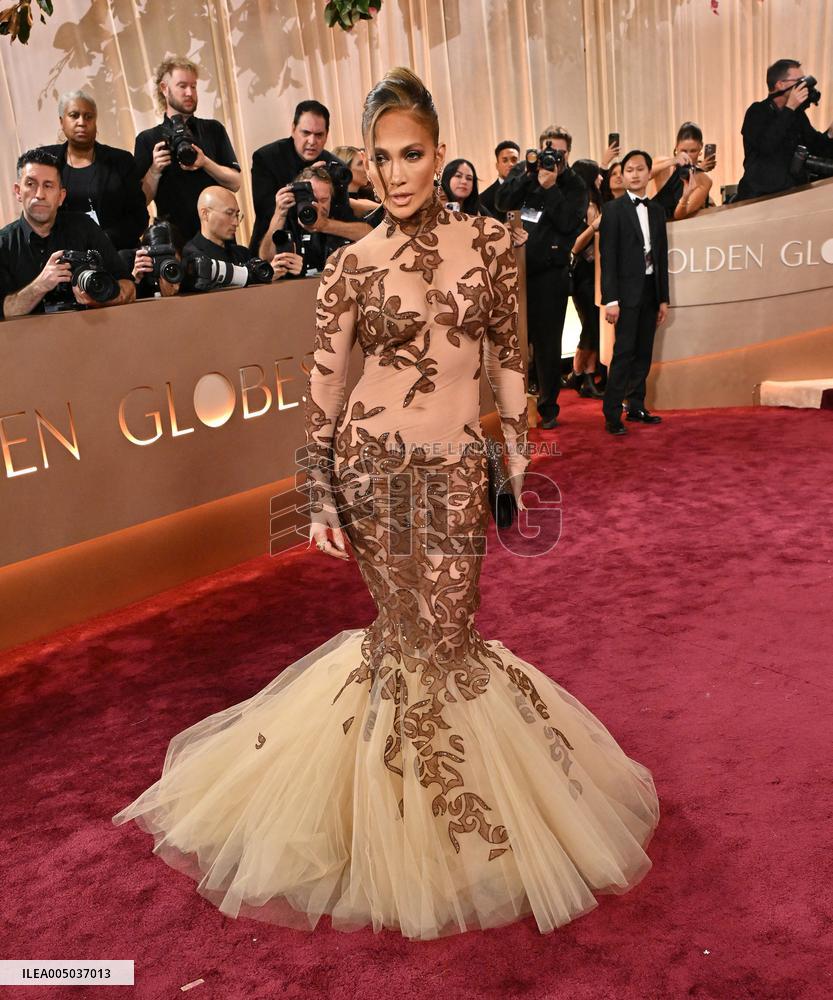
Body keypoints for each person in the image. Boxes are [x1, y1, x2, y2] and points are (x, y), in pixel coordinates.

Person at [113, 66, 659, 941]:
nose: (398, 171)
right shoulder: (349, 266)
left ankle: (427, 816)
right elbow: (324, 393)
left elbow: (511, 355)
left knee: (445, 636)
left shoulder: (490, 244)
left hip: (453, 472)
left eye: (412, 154)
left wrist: (519, 447)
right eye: (382, 158)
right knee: (427, 640)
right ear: (365, 166)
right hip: (374, 476)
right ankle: (424, 835)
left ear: (439, 154)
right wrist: (318, 495)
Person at [495, 125, 588, 429]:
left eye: (559, 152)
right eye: (548, 150)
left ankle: (548, 407)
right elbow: (502, 201)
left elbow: (569, 224)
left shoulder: (574, 184)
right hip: (515, 271)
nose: (553, 157)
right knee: (515, 340)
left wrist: (551, 188)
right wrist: (530, 177)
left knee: (548, 344)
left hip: (551, 275)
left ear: (567, 153)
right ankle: (513, 403)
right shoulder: (525, 172)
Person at [0, 148, 135, 318]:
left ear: (61, 196)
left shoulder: (85, 228)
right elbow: (4, 310)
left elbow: (129, 287)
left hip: (90, 335)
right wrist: (40, 285)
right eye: (31, 184)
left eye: (48, 185)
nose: (40, 194)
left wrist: (98, 299)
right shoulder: (3, 244)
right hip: (28, 342)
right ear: (18, 191)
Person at [134, 57, 242, 244]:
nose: (189, 93)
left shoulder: (213, 129)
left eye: (193, 86)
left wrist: (205, 162)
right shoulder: (148, 139)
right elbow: (140, 202)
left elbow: (235, 183)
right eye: (182, 86)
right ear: (164, 88)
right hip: (173, 241)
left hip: (217, 240)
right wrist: (154, 170)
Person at [600, 150, 670, 436]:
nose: (635, 174)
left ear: (648, 173)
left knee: (643, 353)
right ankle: (612, 412)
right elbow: (608, 258)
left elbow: (662, 256)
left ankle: (637, 405)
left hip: (651, 292)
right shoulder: (613, 210)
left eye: (640, 169)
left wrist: (664, 298)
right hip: (625, 296)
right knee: (624, 353)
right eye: (629, 170)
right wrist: (611, 300)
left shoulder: (657, 210)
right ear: (623, 174)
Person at [250, 101, 367, 251]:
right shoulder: (267, 159)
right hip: (272, 249)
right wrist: (302, 180)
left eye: (319, 135)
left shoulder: (336, 166)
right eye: (306, 133)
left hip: (320, 251)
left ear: (327, 135)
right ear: (293, 129)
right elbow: (266, 214)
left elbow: (343, 215)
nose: (312, 141)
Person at [41, 90, 148, 250]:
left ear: (95, 121)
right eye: (74, 115)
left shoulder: (121, 160)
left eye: (88, 116)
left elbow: (139, 218)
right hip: (65, 257)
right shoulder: (47, 161)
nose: (82, 122)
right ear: (62, 121)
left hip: (118, 253)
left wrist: (101, 240)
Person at [736, 58, 833, 202]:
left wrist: (831, 133)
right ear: (780, 85)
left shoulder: (797, 115)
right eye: (799, 81)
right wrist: (790, 108)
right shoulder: (757, 111)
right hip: (760, 198)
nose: (804, 86)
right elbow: (766, 146)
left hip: (791, 195)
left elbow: (816, 145)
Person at [256, 165, 363, 276]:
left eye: (324, 200)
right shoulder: (288, 217)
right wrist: (279, 215)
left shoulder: (338, 212)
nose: (318, 206)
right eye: (313, 199)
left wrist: (325, 225)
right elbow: (266, 258)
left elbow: (368, 233)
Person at [183, 186, 300, 286]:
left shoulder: (242, 253)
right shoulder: (191, 256)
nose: (236, 222)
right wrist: (260, 276)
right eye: (229, 214)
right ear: (205, 214)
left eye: (237, 215)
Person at [565, 159, 605, 399]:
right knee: (590, 326)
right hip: (584, 274)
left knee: (593, 326)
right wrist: (594, 227)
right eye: (598, 174)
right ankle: (581, 374)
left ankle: (580, 376)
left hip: (596, 273)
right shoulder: (586, 206)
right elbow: (576, 246)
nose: (602, 178)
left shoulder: (596, 203)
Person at [650, 122, 714, 220]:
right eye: (683, 151)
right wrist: (672, 161)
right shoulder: (663, 164)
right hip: (650, 226)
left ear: (700, 147)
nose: (687, 156)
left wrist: (685, 197)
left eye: (693, 151)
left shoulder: (705, 180)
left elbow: (678, 215)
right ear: (676, 146)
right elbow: (644, 176)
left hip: (678, 230)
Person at [479, 140, 519, 221]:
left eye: (514, 160)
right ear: (497, 166)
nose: (510, 164)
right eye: (505, 160)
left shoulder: (530, 192)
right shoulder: (484, 199)